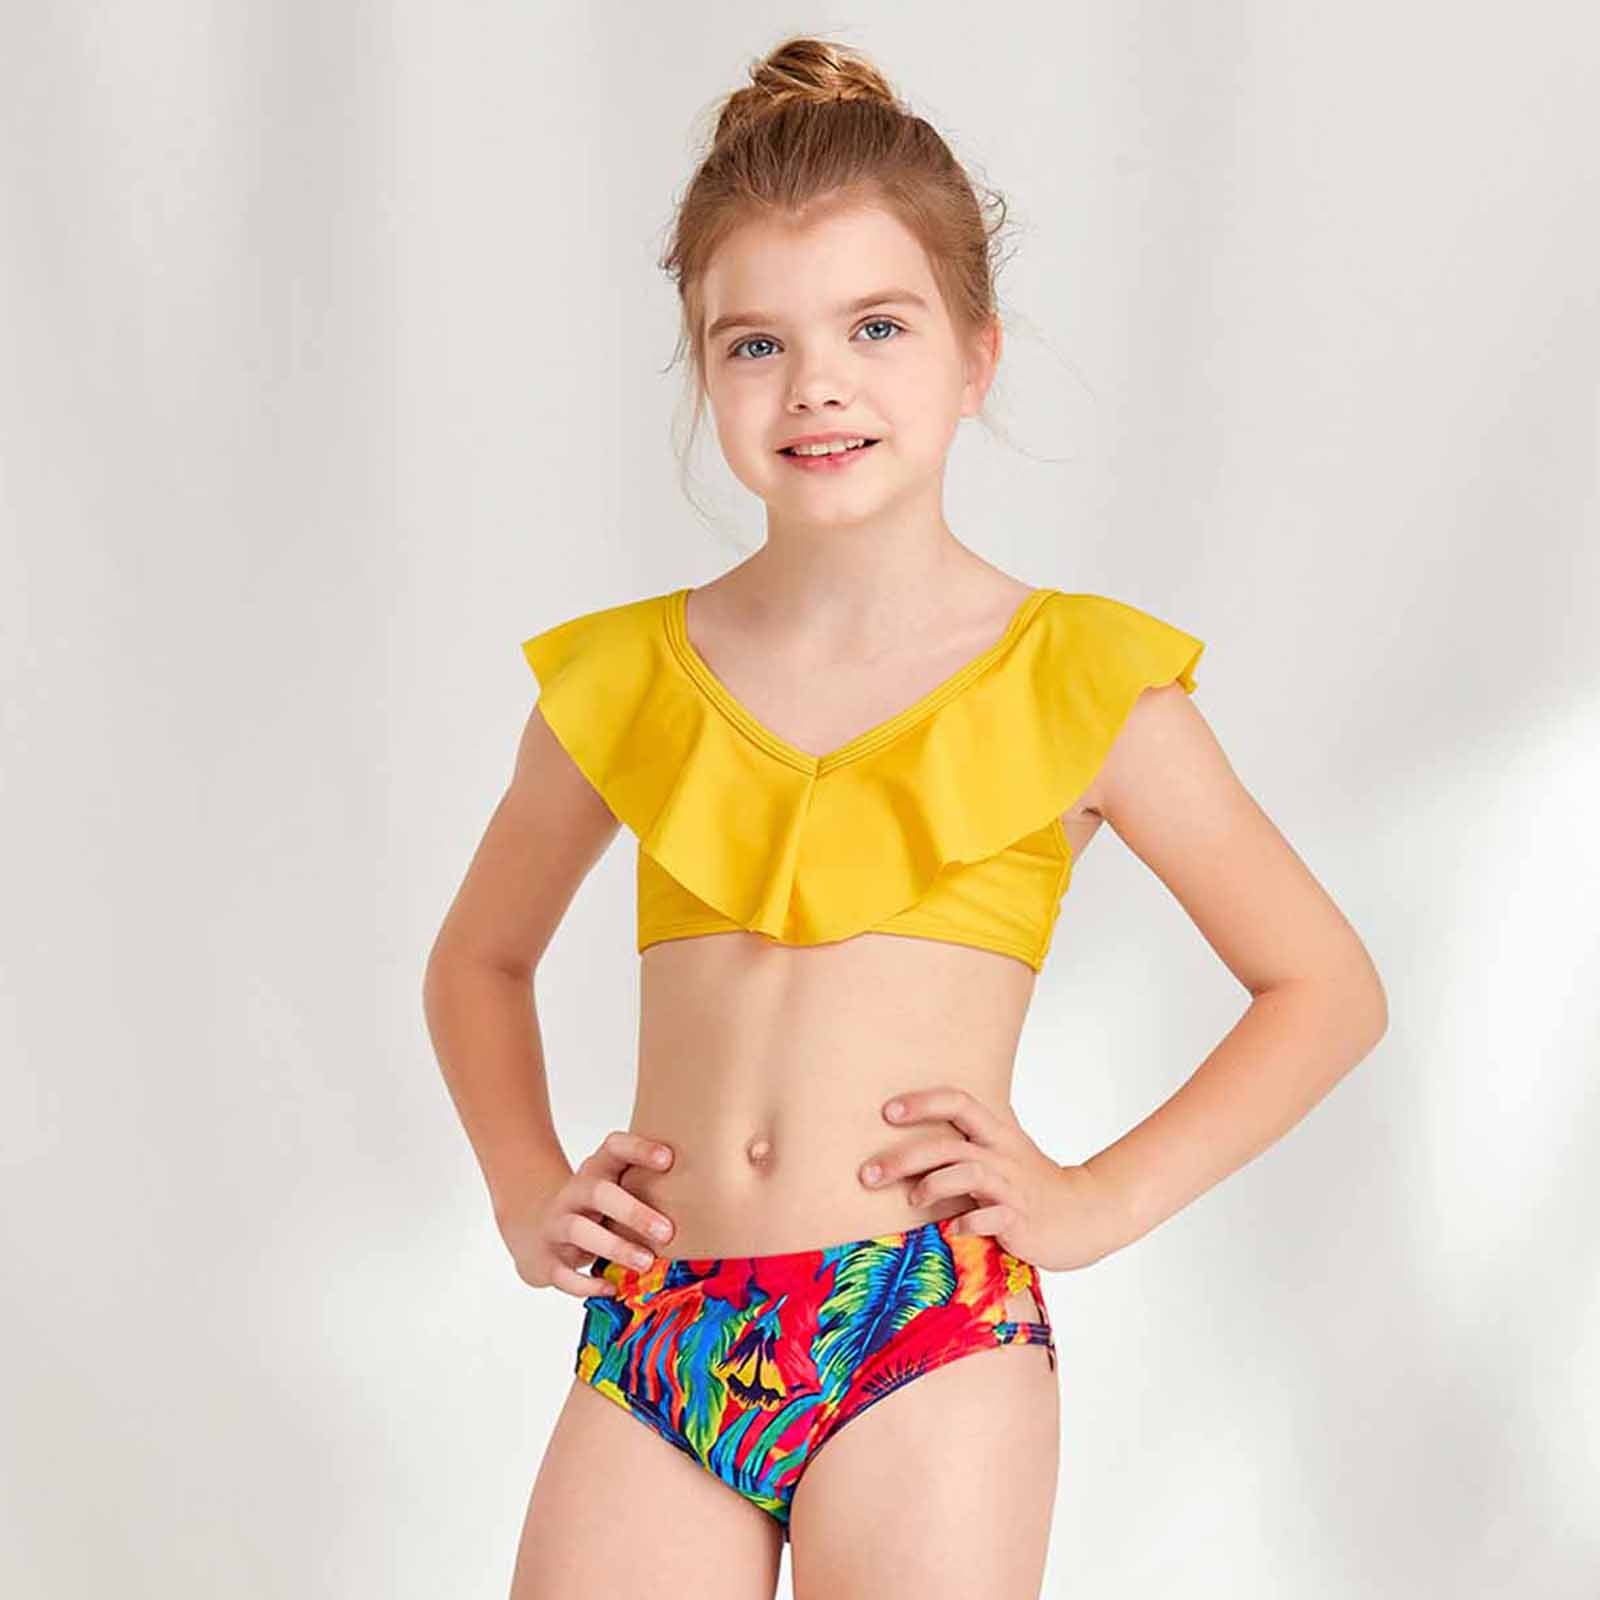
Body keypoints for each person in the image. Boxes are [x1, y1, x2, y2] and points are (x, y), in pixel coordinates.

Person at [422, 34, 1388, 1600]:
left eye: (877, 326)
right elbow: (477, 960)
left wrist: (1098, 1199)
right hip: (660, 1329)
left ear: (975, 357)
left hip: (926, 1334)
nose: (818, 383)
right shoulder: (625, 682)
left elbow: (1325, 987)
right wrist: (525, 1186)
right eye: (756, 343)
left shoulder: (1085, 684)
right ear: (704, 372)